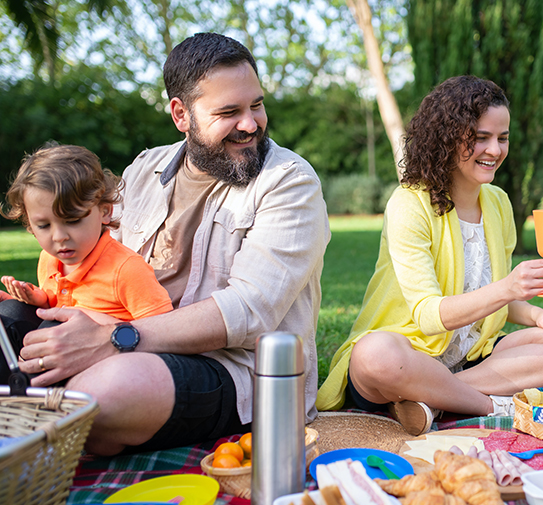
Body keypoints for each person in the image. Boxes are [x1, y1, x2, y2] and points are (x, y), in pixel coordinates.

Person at [9, 33, 330, 456]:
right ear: (181, 114)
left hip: (233, 368)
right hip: (124, 337)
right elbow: (101, 266)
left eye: (256, 105)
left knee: (99, 394)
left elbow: (249, 313)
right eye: (229, 112)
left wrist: (111, 339)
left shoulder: (289, 181)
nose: (251, 123)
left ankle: (52, 423)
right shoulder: (144, 169)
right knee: (9, 319)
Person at [316, 76, 543, 435]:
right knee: (374, 354)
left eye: (502, 137)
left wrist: (540, 315)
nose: (495, 150)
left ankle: (432, 400)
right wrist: (509, 287)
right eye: (480, 137)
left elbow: (489, 298)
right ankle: (494, 406)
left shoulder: (498, 203)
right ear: (446, 137)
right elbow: (430, 316)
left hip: (470, 359)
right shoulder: (409, 204)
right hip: (407, 355)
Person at [0, 145, 173, 385]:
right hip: (54, 353)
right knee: (9, 314)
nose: (59, 236)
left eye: (72, 221)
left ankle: (32, 400)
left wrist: (99, 324)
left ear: (104, 212)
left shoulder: (126, 269)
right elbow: (59, 302)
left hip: (104, 363)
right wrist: (38, 300)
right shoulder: (50, 260)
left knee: (54, 328)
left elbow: (162, 332)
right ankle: (9, 395)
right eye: (44, 226)